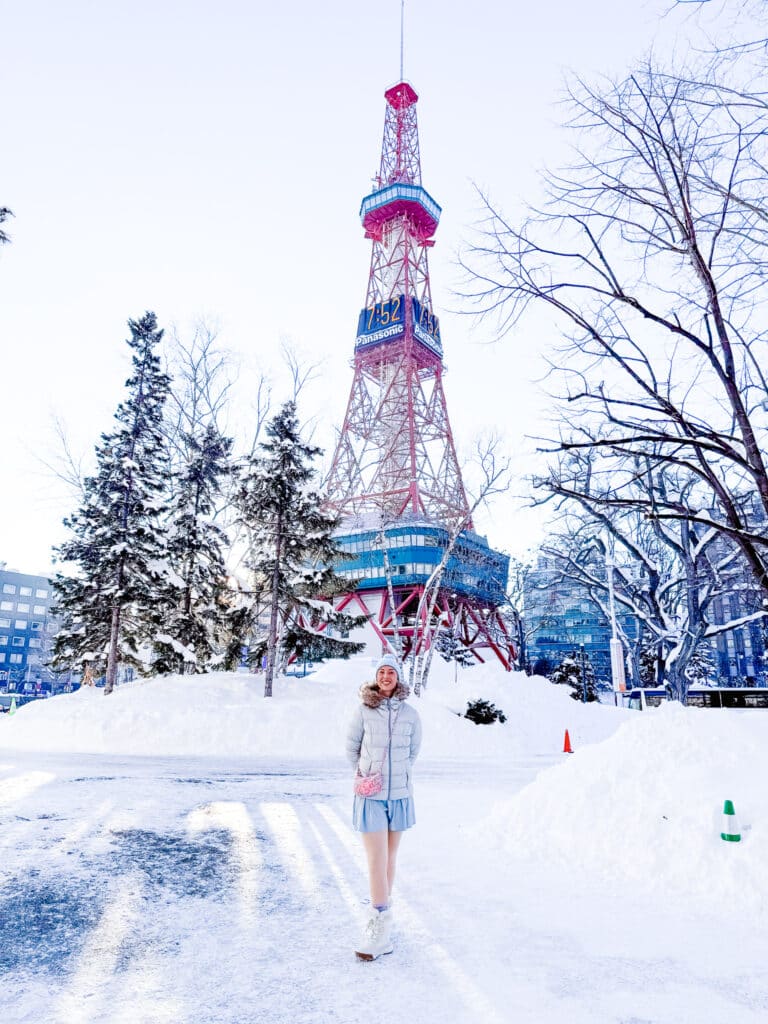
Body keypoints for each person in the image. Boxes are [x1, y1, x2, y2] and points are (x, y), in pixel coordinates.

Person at [345, 653, 422, 961]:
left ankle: (384, 922)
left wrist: (397, 775)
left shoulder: (411, 715)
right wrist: (368, 773)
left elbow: (413, 752)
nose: (386, 676)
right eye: (382, 672)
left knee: (390, 857)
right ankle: (378, 928)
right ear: (375, 678)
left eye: (391, 671)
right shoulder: (363, 711)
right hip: (371, 795)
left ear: (398, 678)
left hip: (400, 794)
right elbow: (351, 749)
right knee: (376, 857)